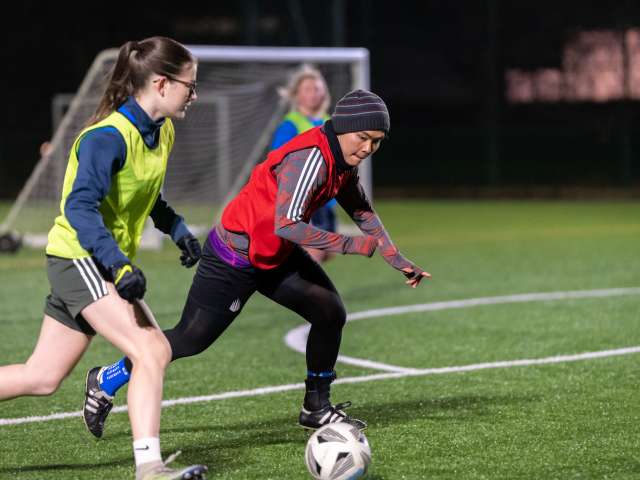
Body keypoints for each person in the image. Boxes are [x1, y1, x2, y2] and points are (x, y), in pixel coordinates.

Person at [83, 89, 430, 438]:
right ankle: (105, 378)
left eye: (378, 141)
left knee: (329, 311)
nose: (369, 148)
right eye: (364, 137)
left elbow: (361, 210)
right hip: (234, 257)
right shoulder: (311, 157)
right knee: (191, 339)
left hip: (274, 254)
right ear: (343, 128)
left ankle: (316, 408)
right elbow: (288, 224)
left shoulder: (342, 161)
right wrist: (352, 245)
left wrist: (395, 257)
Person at [0, 37, 207, 480]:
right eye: (190, 84)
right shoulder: (106, 137)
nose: (195, 93)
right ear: (160, 82)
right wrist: (119, 264)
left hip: (96, 261)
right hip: (80, 258)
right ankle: (149, 467)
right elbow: (79, 207)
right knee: (152, 349)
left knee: (42, 377)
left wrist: (177, 229)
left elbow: (146, 193)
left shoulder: (161, 130)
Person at [271, 65, 337, 263]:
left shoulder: (329, 123)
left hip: (325, 200)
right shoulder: (290, 125)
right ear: (296, 94)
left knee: (326, 254)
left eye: (317, 88)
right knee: (312, 254)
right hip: (304, 200)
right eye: (308, 89)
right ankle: (303, 292)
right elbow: (277, 162)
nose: (314, 93)